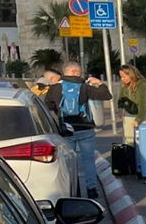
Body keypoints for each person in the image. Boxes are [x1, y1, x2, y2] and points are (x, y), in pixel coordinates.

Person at [41, 61, 111, 198]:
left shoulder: (55, 88)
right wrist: (99, 83)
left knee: (69, 163)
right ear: (76, 72)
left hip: (66, 129)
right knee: (88, 160)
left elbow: (47, 106)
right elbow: (106, 95)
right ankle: (91, 190)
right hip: (85, 129)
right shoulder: (85, 87)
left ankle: (74, 192)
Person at [117, 63, 146, 144]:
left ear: (131, 75)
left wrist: (138, 119)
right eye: (121, 77)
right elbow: (121, 97)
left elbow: (143, 103)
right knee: (129, 139)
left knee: (143, 140)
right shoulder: (124, 85)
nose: (122, 79)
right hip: (128, 114)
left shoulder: (141, 84)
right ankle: (130, 155)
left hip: (141, 115)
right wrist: (120, 108)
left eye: (124, 76)